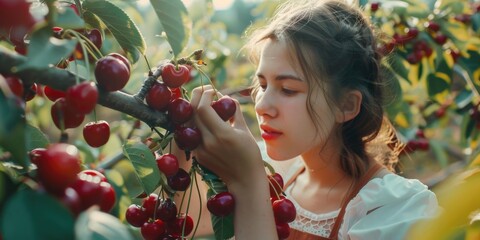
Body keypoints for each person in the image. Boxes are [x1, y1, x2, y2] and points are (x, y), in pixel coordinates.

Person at [180, 0, 439, 239]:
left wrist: (247, 184)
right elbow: (190, 221)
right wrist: (180, 136)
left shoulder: (396, 210)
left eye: (288, 90)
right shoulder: (271, 169)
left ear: (346, 105)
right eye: (262, 84)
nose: (262, 106)